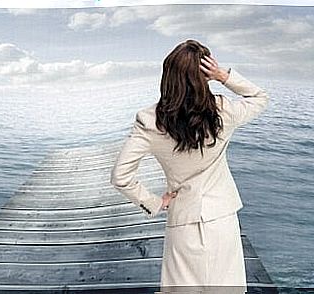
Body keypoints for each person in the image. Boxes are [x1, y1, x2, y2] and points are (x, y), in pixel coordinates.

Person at [110, 39, 269, 293]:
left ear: (168, 76)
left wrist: (154, 202)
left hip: (183, 220)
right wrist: (223, 76)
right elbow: (259, 97)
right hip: (222, 218)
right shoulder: (223, 111)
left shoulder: (149, 121)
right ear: (204, 76)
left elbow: (121, 176)